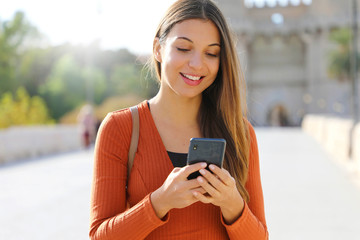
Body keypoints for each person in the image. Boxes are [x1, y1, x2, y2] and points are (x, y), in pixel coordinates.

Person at [89, 0, 268, 239]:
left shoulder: (240, 133)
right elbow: (99, 236)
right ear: (158, 49)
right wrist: (159, 202)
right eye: (184, 48)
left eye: (211, 53)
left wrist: (233, 204)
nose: (197, 64)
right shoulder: (120, 128)